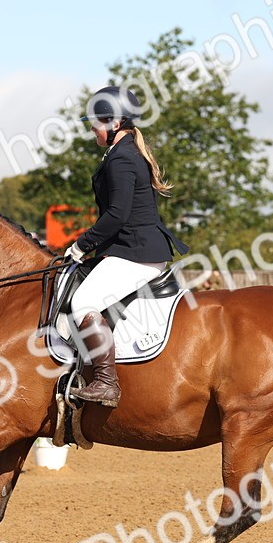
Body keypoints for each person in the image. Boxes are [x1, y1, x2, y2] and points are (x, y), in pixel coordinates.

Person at [64, 86, 188, 407]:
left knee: (83, 303)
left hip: (138, 253)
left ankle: (106, 383)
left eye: (96, 122)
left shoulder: (122, 159)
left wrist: (81, 245)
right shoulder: (125, 151)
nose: (92, 128)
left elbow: (116, 215)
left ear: (114, 123)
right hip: (132, 248)